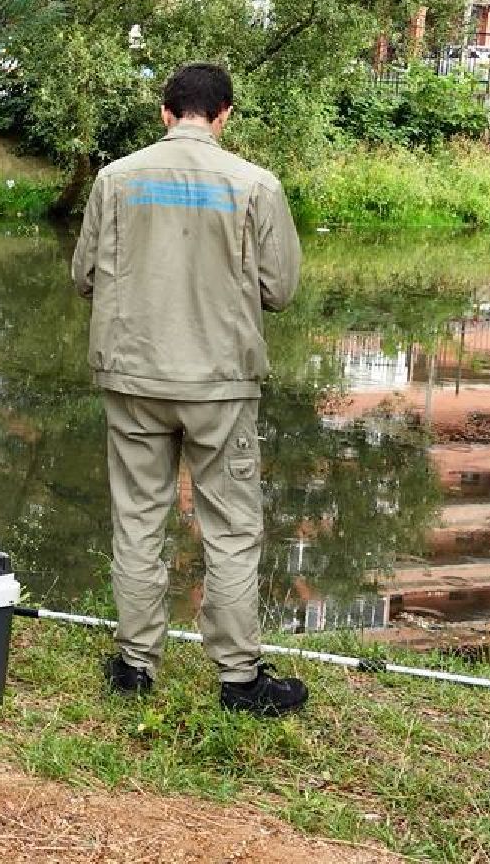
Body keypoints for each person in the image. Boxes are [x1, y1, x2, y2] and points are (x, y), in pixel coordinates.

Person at [69, 62, 305, 716]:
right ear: (224, 115)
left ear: (164, 112)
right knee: (229, 529)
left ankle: (135, 666)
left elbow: (84, 275)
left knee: (139, 519)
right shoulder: (257, 185)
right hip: (219, 385)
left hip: (133, 375)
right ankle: (238, 679)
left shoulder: (115, 180)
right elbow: (281, 290)